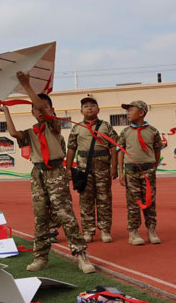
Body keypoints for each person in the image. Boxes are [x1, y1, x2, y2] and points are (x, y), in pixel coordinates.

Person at [0, 71, 95, 273]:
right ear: (32, 112)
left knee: (65, 214)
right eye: (35, 109)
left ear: (52, 110)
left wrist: (27, 85)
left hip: (55, 172)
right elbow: (14, 134)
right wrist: (5, 111)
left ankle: (81, 256)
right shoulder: (32, 132)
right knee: (41, 217)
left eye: (44, 107)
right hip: (38, 175)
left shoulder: (54, 125)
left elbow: (42, 106)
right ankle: (41, 258)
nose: (39, 110)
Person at [65, 97, 118, 243]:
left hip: (103, 168)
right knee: (86, 200)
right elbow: (71, 149)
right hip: (83, 168)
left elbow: (114, 147)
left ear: (98, 110)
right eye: (86, 106)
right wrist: (68, 168)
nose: (89, 108)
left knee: (104, 199)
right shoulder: (76, 128)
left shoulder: (106, 126)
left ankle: (105, 230)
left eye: (93, 106)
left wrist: (114, 167)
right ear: (81, 111)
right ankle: (88, 231)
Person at [117, 101, 163, 245]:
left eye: (131, 110)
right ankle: (133, 233)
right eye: (127, 111)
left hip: (148, 171)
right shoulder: (125, 132)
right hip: (131, 171)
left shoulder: (153, 131)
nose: (128, 113)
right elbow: (120, 152)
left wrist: (153, 167)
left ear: (141, 113)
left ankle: (151, 230)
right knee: (133, 202)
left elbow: (157, 150)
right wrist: (121, 171)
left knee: (150, 201)